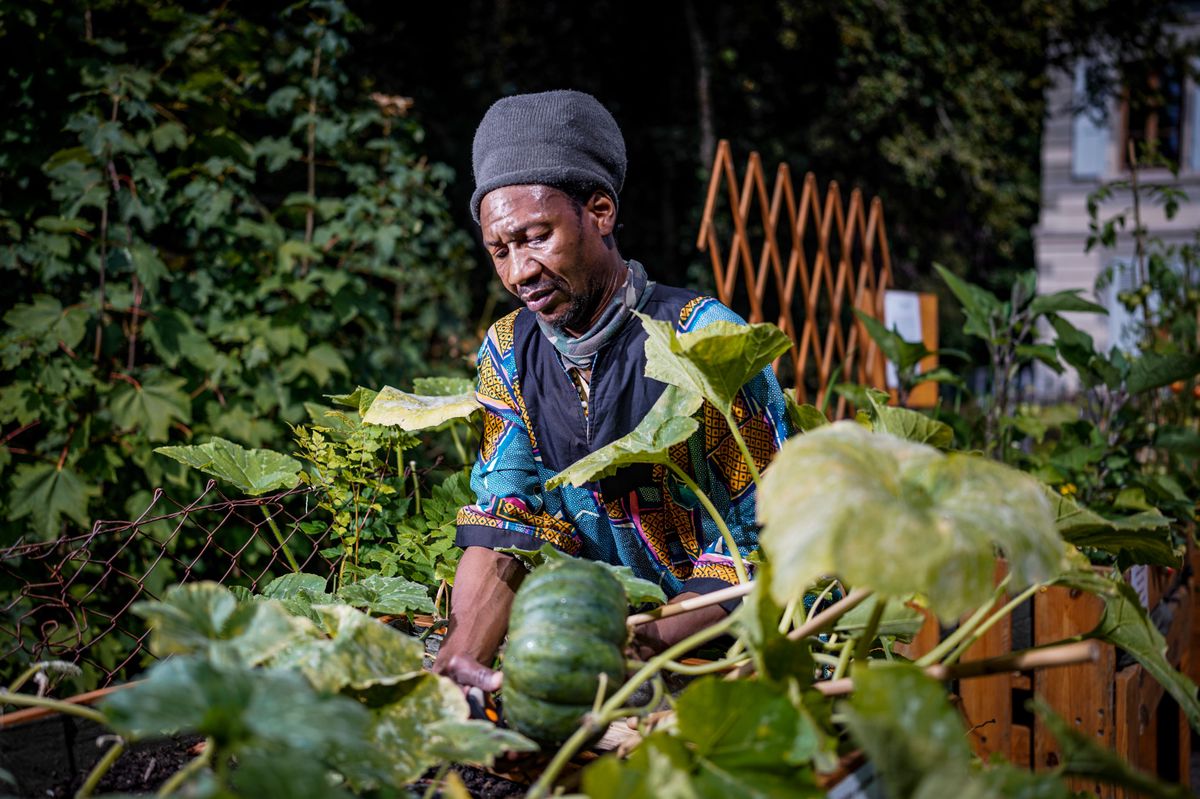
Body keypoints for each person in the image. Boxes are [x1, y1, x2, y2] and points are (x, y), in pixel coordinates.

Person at [433, 90, 792, 695]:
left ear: (599, 211)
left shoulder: (703, 339)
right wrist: (459, 663)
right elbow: (506, 516)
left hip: (728, 649)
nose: (519, 271)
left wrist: (624, 644)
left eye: (537, 236)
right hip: (597, 650)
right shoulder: (506, 351)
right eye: (501, 250)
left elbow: (768, 544)